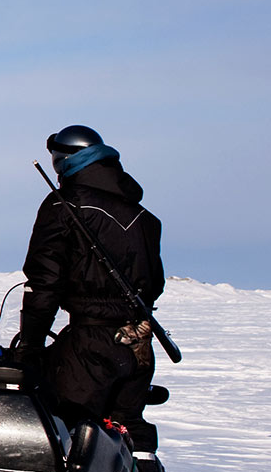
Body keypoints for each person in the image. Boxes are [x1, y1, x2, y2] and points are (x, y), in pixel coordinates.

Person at [16, 125, 165, 443]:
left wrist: (30, 344)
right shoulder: (144, 218)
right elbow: (155, 283)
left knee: (65, 435)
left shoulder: (64, 204)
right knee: (125, 433)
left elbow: (45, 281)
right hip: (139, 348)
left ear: (63, 160)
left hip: (89, 349)